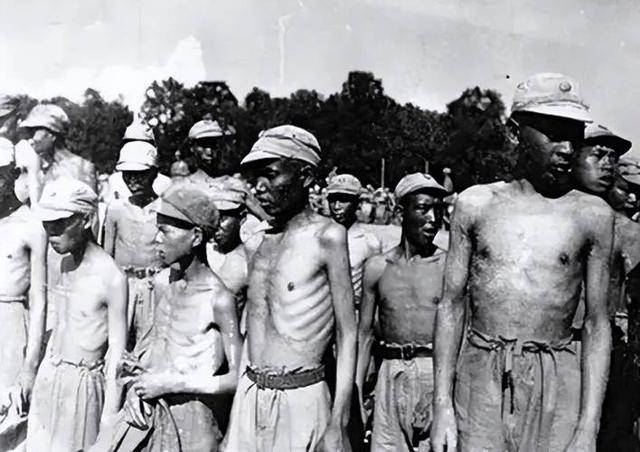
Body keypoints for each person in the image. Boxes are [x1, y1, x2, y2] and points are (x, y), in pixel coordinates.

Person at [431, 73, 614, 452]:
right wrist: (442, 405)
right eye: (554, 134)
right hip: (481, 379)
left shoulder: (591, 215)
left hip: (557, 380)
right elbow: (451, 305)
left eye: (574, 135)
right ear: (516, 133)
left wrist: (588, 427)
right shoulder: (475, 204)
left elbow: (597, 323)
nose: (567, 149)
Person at [222, 125, 356, 451]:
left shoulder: (327, 237)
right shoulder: (256, 245)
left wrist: (338, 423)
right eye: (255, 178)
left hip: (302, 398)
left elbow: (347, 334)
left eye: (270, 175)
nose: (259, 187)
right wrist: (235, 422)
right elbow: (252, 330)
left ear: (305, 177)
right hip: (251, 396)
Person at [91, 179, 242, 452]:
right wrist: (136, 389)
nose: (156, 239)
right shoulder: (163, 284)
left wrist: (171, 383)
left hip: (194, 420)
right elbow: (150, 352)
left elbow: (236, 378)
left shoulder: (218, 299)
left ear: (196, 237)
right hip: (153, 414)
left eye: (165, 231)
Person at [26, 178, 128, 452]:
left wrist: (109, 418)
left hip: (83, 387)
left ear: (85, 220)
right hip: (51, 375)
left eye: (60, 224)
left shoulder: (111, 277)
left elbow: (116, 352)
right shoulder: (64, 264)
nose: (51, 233)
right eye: (47, 225)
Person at [357, 173, 448, 452]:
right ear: (400, 212)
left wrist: (445, 397)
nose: (433, 218)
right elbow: (365, 335)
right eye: (423, 208)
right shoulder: (377, 268)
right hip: (390, 373)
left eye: (438, 210)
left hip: (434, 371)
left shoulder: (447, 267)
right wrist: (357, 391)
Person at [0, 142, 47, 451]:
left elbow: (40, 302)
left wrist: (29, 367)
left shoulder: (31, 226)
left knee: (10, 421)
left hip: (11, 329)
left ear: (13, 174)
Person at [103, 141, 164, 347]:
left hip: (154, 286)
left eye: (140, 174)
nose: (133, 180)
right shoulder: (116, 209)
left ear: (154, 173)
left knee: (152, 344)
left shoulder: (165, 209)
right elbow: (107, 255)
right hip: (123, 287)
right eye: (127, 174)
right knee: (118, 344)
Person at [326, 173, 382, 310]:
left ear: (357, 203)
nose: (337, 206)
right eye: (332, 200)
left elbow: (372, 293)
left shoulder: (369, 243)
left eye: (344, 200)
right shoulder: (319, 237)